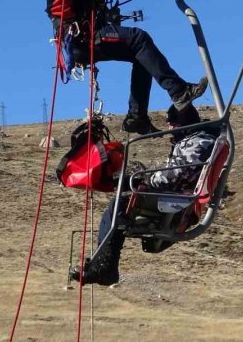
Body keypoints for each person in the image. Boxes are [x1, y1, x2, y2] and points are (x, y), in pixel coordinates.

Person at [44, 0, 207, 134]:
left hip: (88, 33)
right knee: (139, 39)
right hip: (81, 38)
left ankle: (136, 117)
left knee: (143, 56)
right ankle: (178, 92)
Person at [71, 103, 218, 285]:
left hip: (176, 198)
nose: (171, 129)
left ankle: (105, 266)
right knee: (119, 203)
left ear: (184, 122)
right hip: (175, 194)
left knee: (118, 207)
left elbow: (178, 173)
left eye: (173, 124)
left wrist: (146, 181)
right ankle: (104, 263)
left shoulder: (200, 142)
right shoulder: (196, 141)